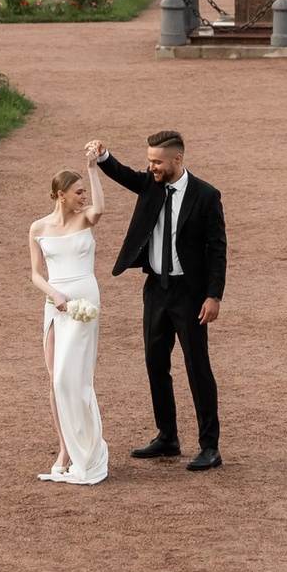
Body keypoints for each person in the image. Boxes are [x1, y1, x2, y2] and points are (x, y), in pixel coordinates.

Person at [86, 130, 226, 470]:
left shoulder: (206, 195)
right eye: (149, 161)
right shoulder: (150, 183)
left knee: (197, 368)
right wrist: (104, 156)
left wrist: (213, 296)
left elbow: (218, 249)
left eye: (157, 162)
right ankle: (168, 436)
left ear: (177, 160)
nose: (152, 168)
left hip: (190, 294)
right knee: (154, 362)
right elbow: (124, 176)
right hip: (155, 289)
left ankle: (210, 446)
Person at [27, 159, 110, 483]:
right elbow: (35, 273)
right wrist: (55, 295)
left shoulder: (86, 220)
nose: (84, 196)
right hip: (55, 304)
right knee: (54, 378)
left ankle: (85, 449)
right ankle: (64, 448)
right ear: (61, 195)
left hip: (84, 303)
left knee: (69, 377)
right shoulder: (38, 228)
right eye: (78, 192)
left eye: (85, 191)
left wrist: (93, 168)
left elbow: (100, 209)